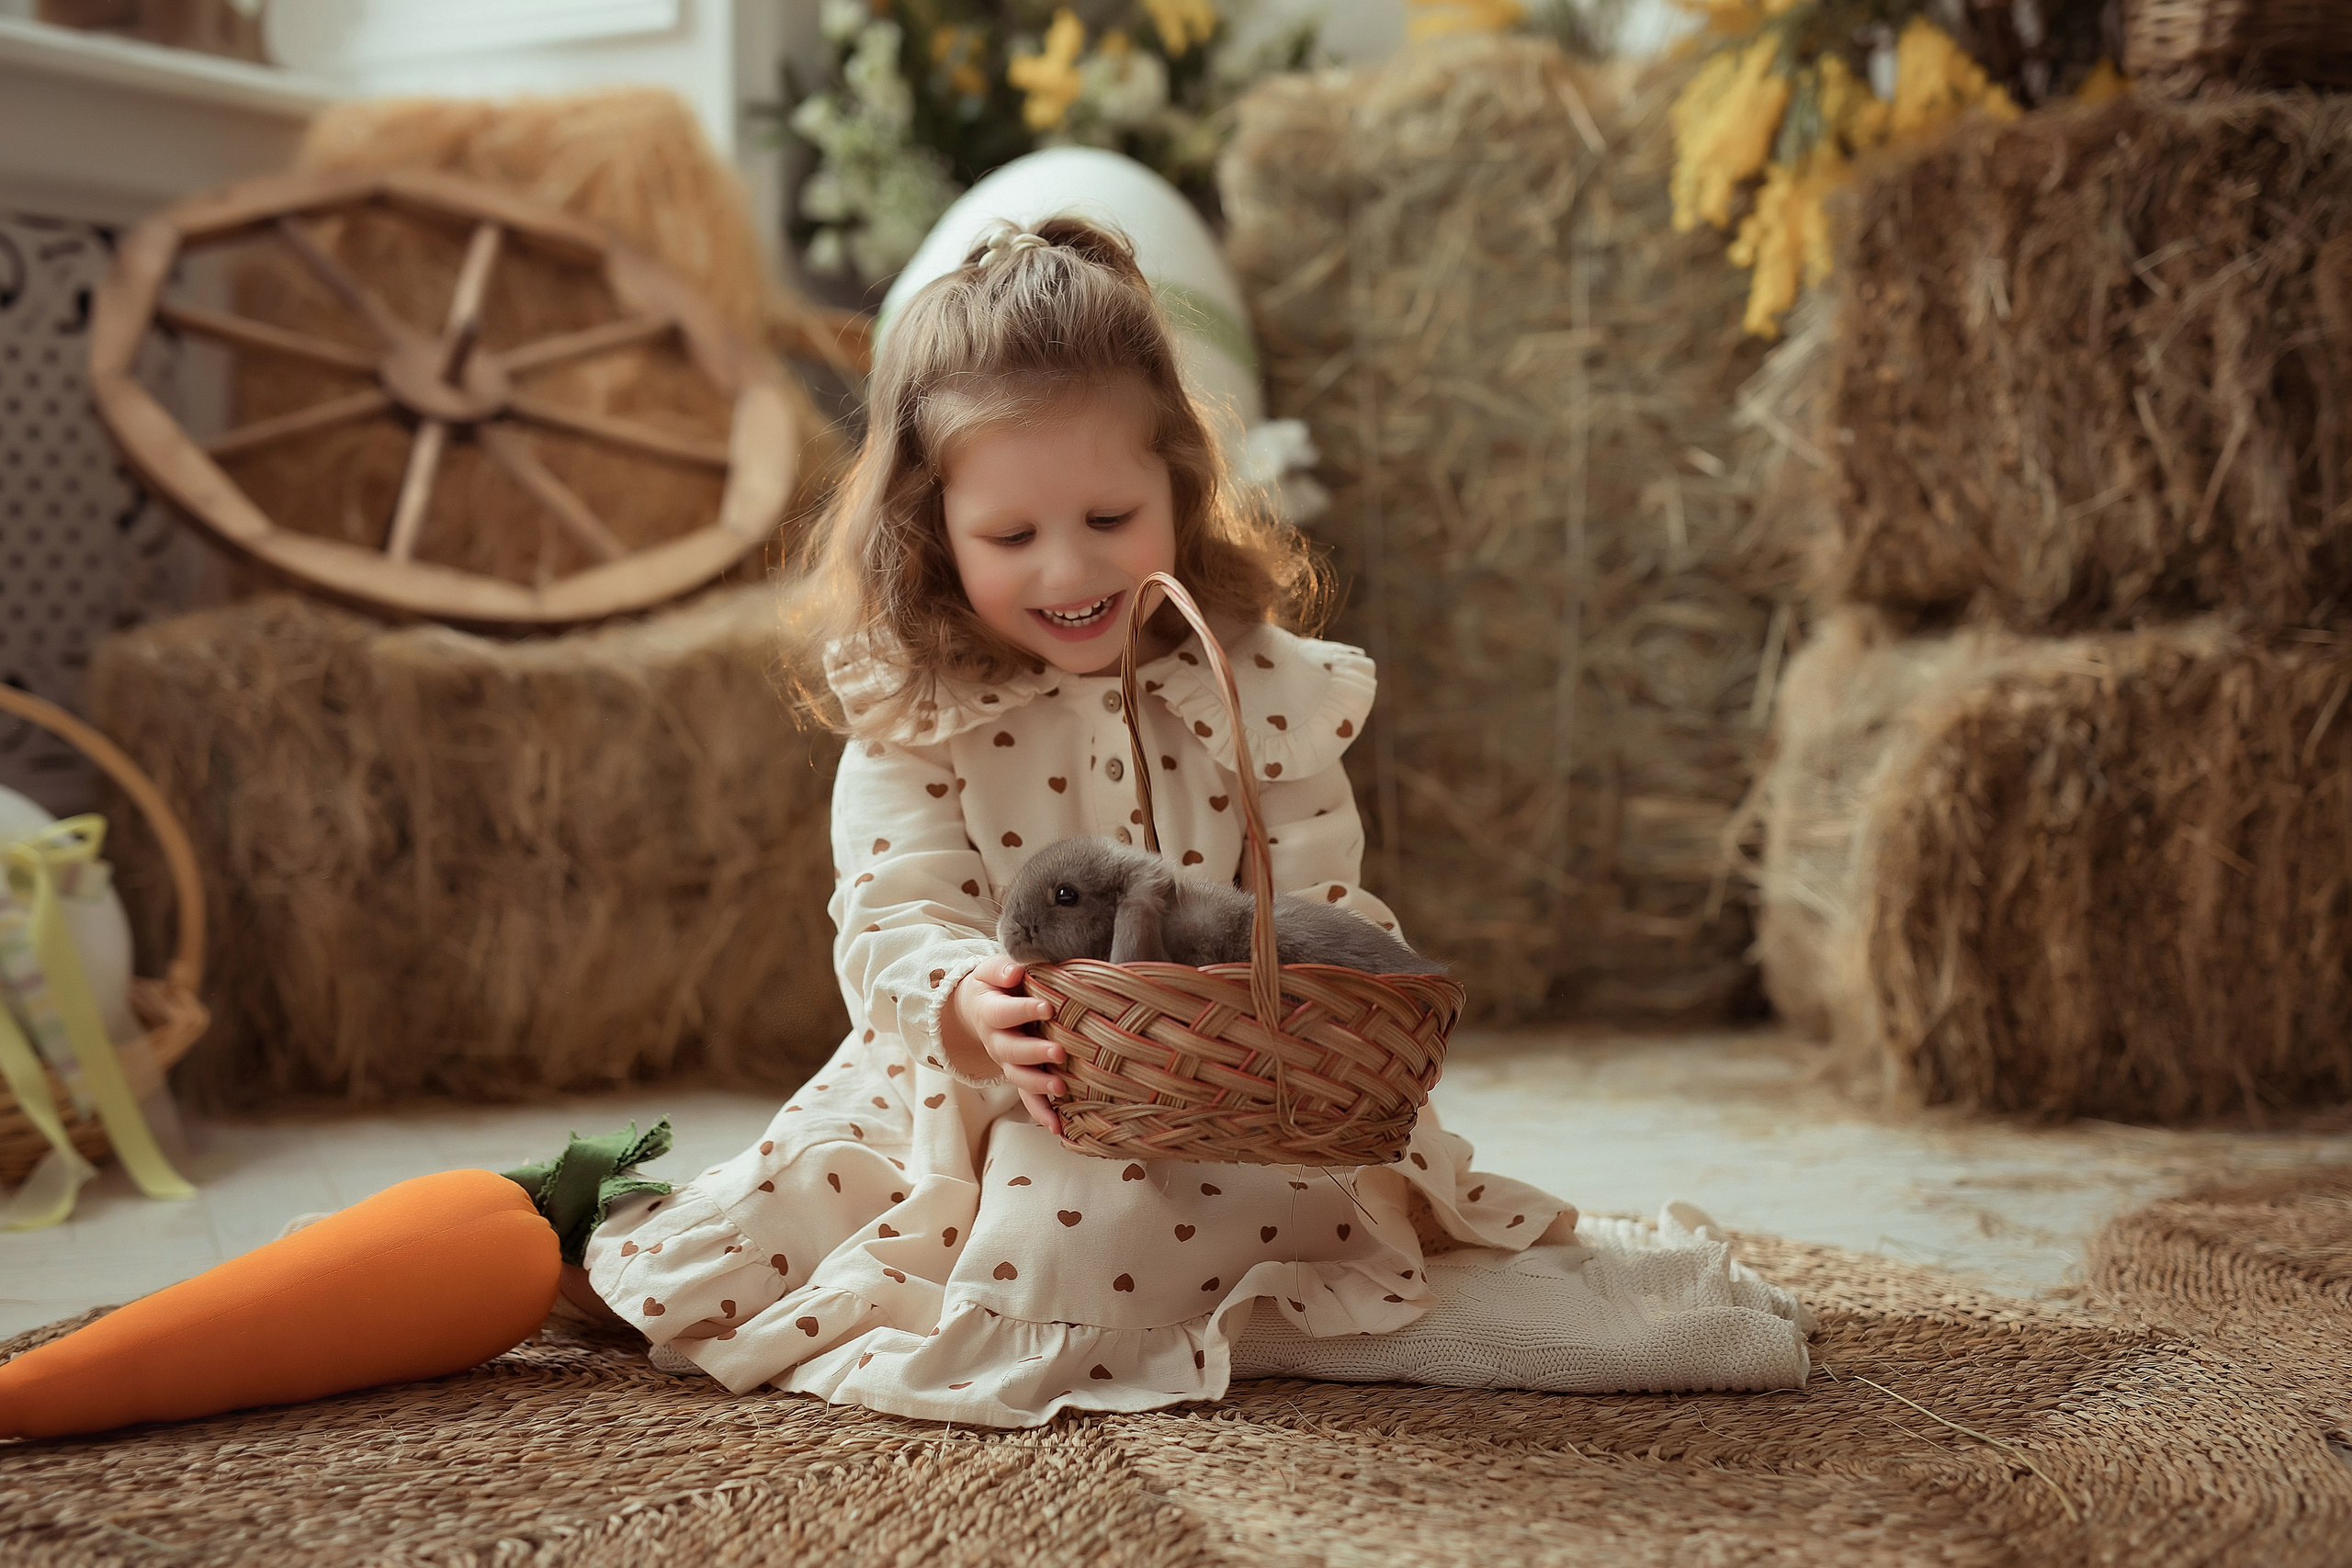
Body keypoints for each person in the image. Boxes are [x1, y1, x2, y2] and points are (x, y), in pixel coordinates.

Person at [0, 219, 1806, 1443]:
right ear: (929, 532)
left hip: (1237, 1078)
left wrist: (1305, 988)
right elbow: (892, 909)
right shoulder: (915, 706)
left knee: (1266, 1183)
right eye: (1010, 535)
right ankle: (1273, 1322)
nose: (1072, 569)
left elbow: (1312, 887)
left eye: (1113, 512)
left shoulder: (1262, 681)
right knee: (1020, 1215)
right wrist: (960, 1003)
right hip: (973, 1091)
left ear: (1182, 483)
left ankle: (1342, 1302)